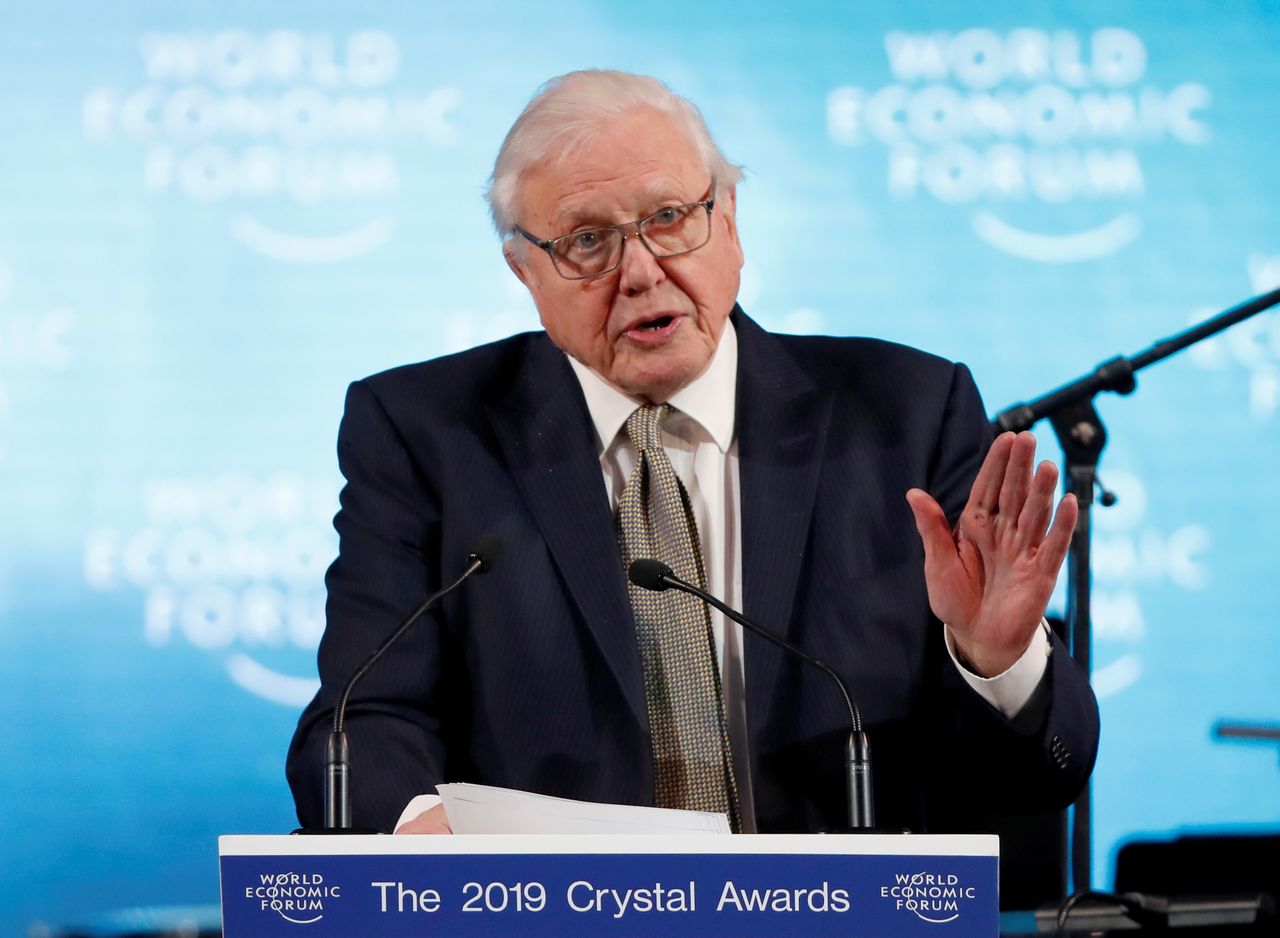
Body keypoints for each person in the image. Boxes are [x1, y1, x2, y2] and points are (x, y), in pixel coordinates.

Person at [287, 69, 1099, 837]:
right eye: (587, 241)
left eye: (670, 218)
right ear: (526, 271)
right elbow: (358, 723)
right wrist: (421, 842)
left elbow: (1042, 781)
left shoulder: (905, 415)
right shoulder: (426, 431)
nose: (641, 271)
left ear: (731, 220)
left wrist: (998, 660)